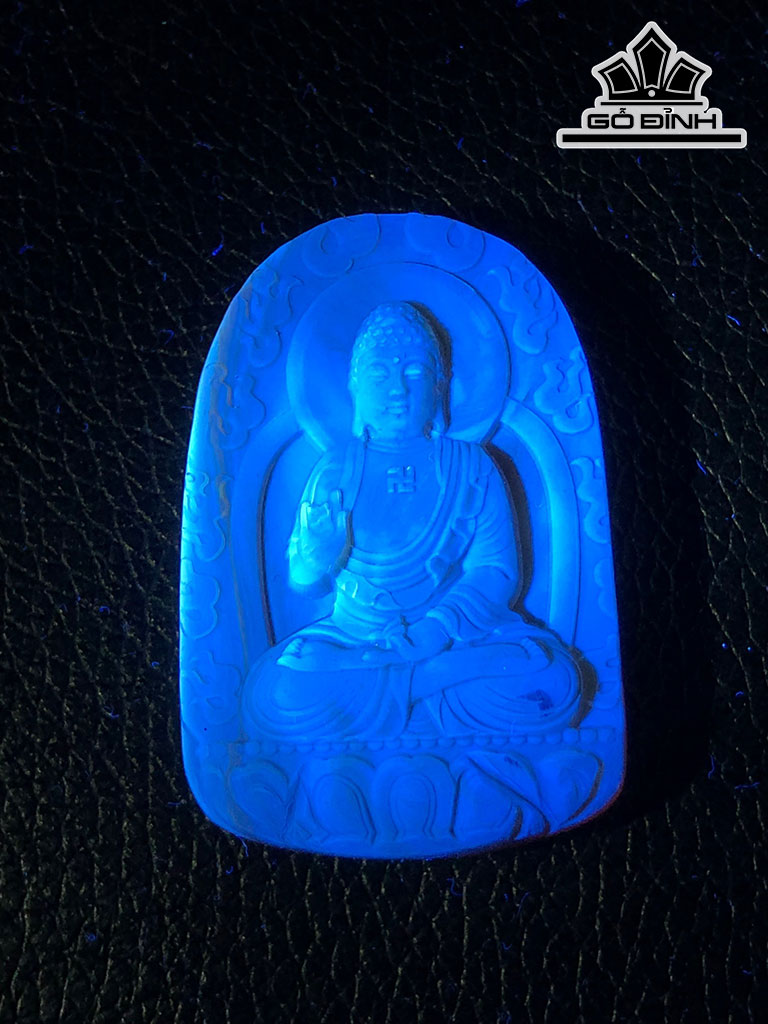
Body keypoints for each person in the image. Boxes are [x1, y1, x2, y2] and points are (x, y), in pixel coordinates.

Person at [244, 301, 581, 741]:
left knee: (555, 678)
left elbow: (496, 572)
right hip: (356, 635)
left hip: (451, 634)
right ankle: (428, 679)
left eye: (416, 372)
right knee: (278, 690)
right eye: (379, 374)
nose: (398, 389)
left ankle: (401, 681)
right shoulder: (335, 469)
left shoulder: (472, 466)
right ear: (355, 386)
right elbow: (304, 582)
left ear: (441, 384)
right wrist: (316, 557)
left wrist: (434, 630)